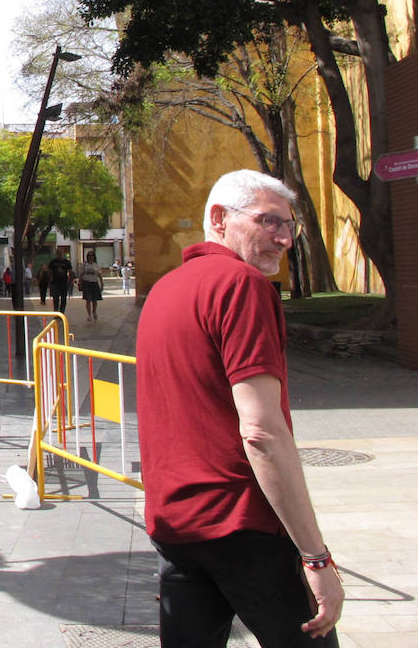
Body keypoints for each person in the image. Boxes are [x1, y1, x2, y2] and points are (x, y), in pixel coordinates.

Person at [137, 169, 343, 646]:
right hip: (243, 524)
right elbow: (262, 431)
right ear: (219, 219)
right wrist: (316, 557)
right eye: (269, 222)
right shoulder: (242, 286)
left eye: (289, 226)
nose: (284, 238)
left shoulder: (165, 290)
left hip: (176, 526)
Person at [46, 248, 73, 313]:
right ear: (56, 253)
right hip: (55, 283)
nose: (60, 254)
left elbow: (70, 272)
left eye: (61, 252)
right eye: (58, 252)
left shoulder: (67, 262)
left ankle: (62, 312)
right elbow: (49, 271)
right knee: (55, 299)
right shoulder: (53, 262)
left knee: (63, 299)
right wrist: (50, 281)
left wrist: (70, 281)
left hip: (64, 283)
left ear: (63, 253)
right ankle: (56, 313)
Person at [79, 253, 103, 322]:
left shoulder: (96, 265)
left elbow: (100, 275)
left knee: (95, 299)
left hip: (94, 283)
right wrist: (80, 282)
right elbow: (81, 274)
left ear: (94, 257)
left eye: (92, 256)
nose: (90, 257)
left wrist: (102, 283)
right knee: (88, 299)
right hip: (86, 283)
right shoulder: (85, 265)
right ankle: (89, 315)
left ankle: (94, 311)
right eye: (89, 256)